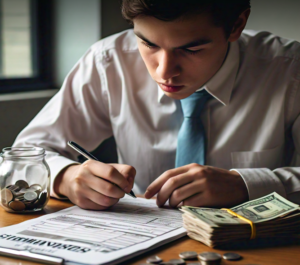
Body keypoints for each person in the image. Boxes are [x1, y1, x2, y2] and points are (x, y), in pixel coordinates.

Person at [14, 0, 300, 210]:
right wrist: (67, 176)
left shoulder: (290, 71)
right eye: (148, 44)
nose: (164, 72)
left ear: (237, 25)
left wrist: (245, 185)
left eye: (191, 49)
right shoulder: (108, 62)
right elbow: (20, 157)